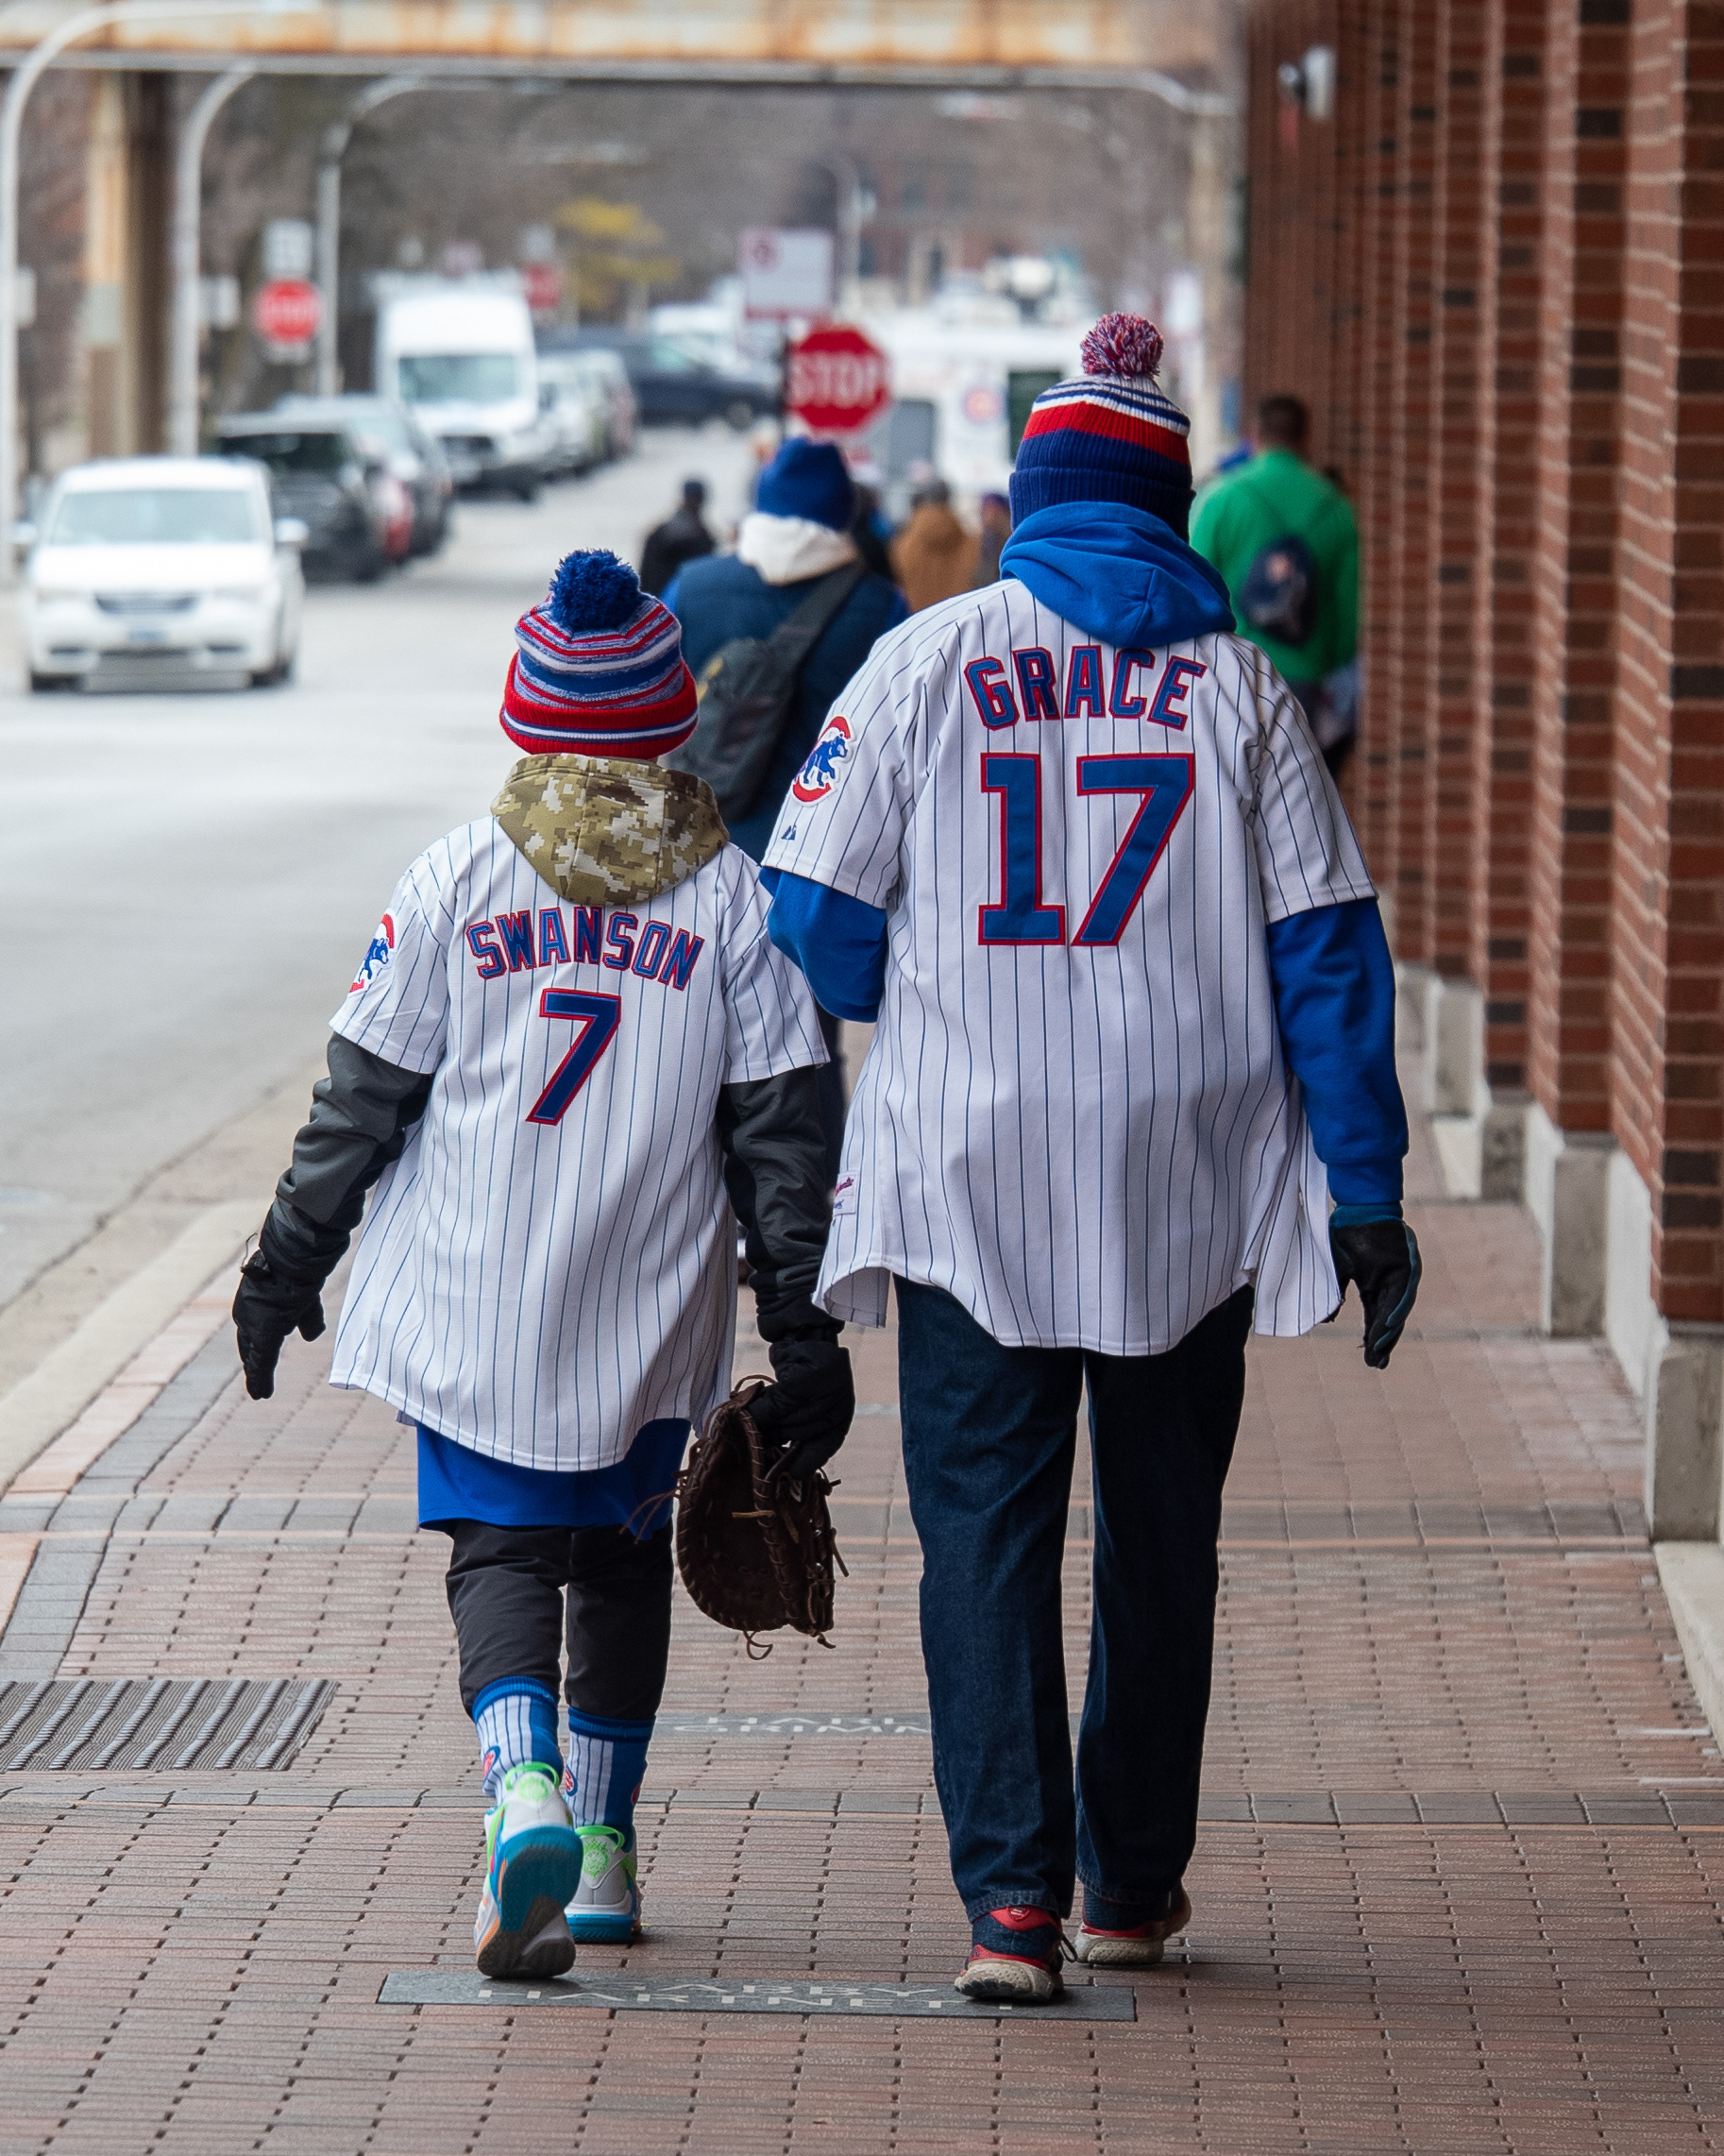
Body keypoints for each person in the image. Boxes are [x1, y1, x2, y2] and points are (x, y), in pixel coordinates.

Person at [759, 316, 1417, 2001]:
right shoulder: (1244, 687)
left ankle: (1009, 1912)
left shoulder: (922, 659)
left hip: (973, 1172)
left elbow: (818, 931)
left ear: (1035, 493)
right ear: (1172, 504)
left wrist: (922, 973)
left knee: (982, 1531)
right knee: (1158, 1534)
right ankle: (1129, 1881)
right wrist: (1365, 1185)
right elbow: (1328, 949)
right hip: (1185, 1181)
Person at [230, 550, 854, 1982]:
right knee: (626, 1558)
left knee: (499, 1548)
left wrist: (284, 1263)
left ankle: (522, 1791)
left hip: (475, 1290)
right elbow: (782, 1134)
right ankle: (607, 1851)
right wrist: (801, 1323)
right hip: (648, 1301)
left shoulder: (455, 875)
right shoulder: (733, 902)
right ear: (666, 723)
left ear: (529, 717)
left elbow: (360, 1096)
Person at [665, 438, 906, 1172]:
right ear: (843, 512)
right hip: (820, 865)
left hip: (700, 852)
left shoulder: (694, 586)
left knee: (696, 1043)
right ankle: (799, 1224)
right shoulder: (876, 604)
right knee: (807, 1048)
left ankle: (709, 1207)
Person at [1191, 393, 1360, 781]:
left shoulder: (1221, 500)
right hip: (1301, 676)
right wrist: (1323, 659)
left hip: (1228, 674)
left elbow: (1192, 589)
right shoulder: (1335, 506)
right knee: (1294, 801)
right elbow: (1349, 609)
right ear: (1306, 437)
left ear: (1254, 435)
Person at [888, 476, 980, 611]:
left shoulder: (904, 544)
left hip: (918, 621)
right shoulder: (972, 542)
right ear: (949, 498)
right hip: (958, 620)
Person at [639, 477, 715, 596]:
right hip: (685, 603)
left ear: (682, 498)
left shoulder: (658, 533)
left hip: (657, 605)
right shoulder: (705, 538)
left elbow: (644, 577)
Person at [974, 491, 1012, 585]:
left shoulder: (1010, 545)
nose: (990, 517)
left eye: (995, 512)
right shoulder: (975, 544)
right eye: (986, 511)